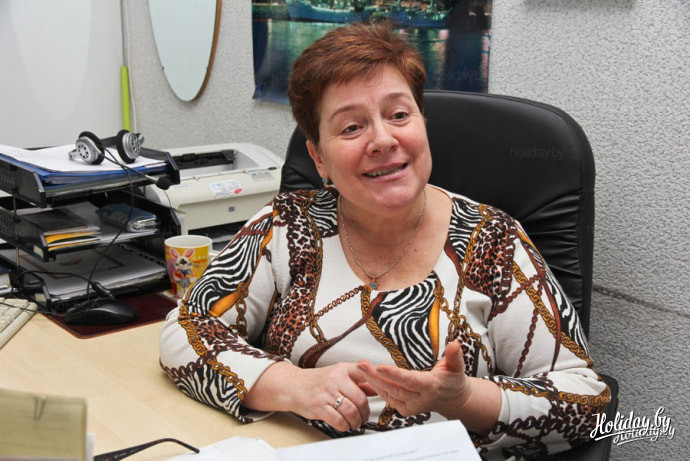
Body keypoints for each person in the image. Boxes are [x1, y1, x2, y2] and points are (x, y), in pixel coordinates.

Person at [159, 22, 610, 459]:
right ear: (318, 157)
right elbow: (187, 327)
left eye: (398, 115)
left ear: (422, 125)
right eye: (351, 127)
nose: (382, 140)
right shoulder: (289, 225)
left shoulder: (491, 242)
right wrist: (292, 385)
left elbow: (585, 402)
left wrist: (464, 398)